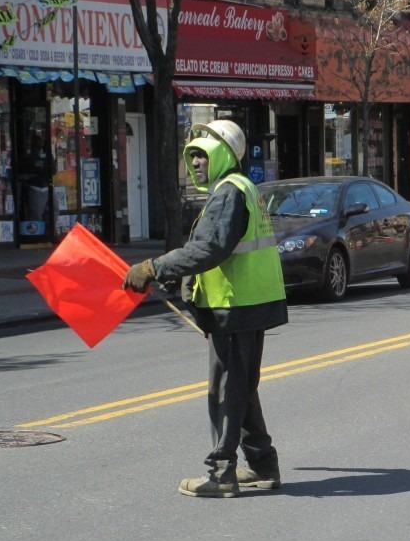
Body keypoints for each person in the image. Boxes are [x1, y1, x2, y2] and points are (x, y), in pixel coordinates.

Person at [123, 120, 288, 498]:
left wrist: (153, 268)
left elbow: (209, 249)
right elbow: (216, 251)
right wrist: (178, 279)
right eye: (192, 156)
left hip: (235, 306)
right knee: (241, 388)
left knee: (226, 391)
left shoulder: (228, 193)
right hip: (247, 304)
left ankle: (222, 473)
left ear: (223, 155)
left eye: (203, 155)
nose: (196, 162)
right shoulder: (241, 188)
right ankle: (263, 464)